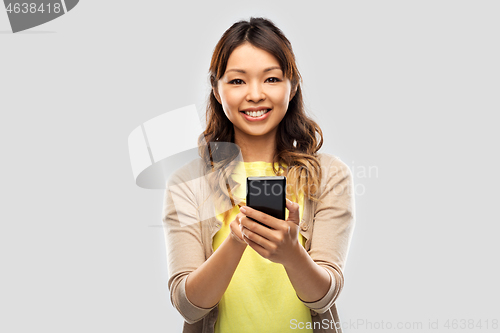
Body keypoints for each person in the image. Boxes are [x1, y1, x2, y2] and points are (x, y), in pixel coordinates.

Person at [162, 17, 356, 333]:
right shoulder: (187, 184)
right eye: (237, 81)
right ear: (216, 88)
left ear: (292, 86)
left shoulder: (330, 177)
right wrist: (238, 239)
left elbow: (324, 297)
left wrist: (293, 255)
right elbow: (187, 305)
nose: (255, 95)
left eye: (271, 79)